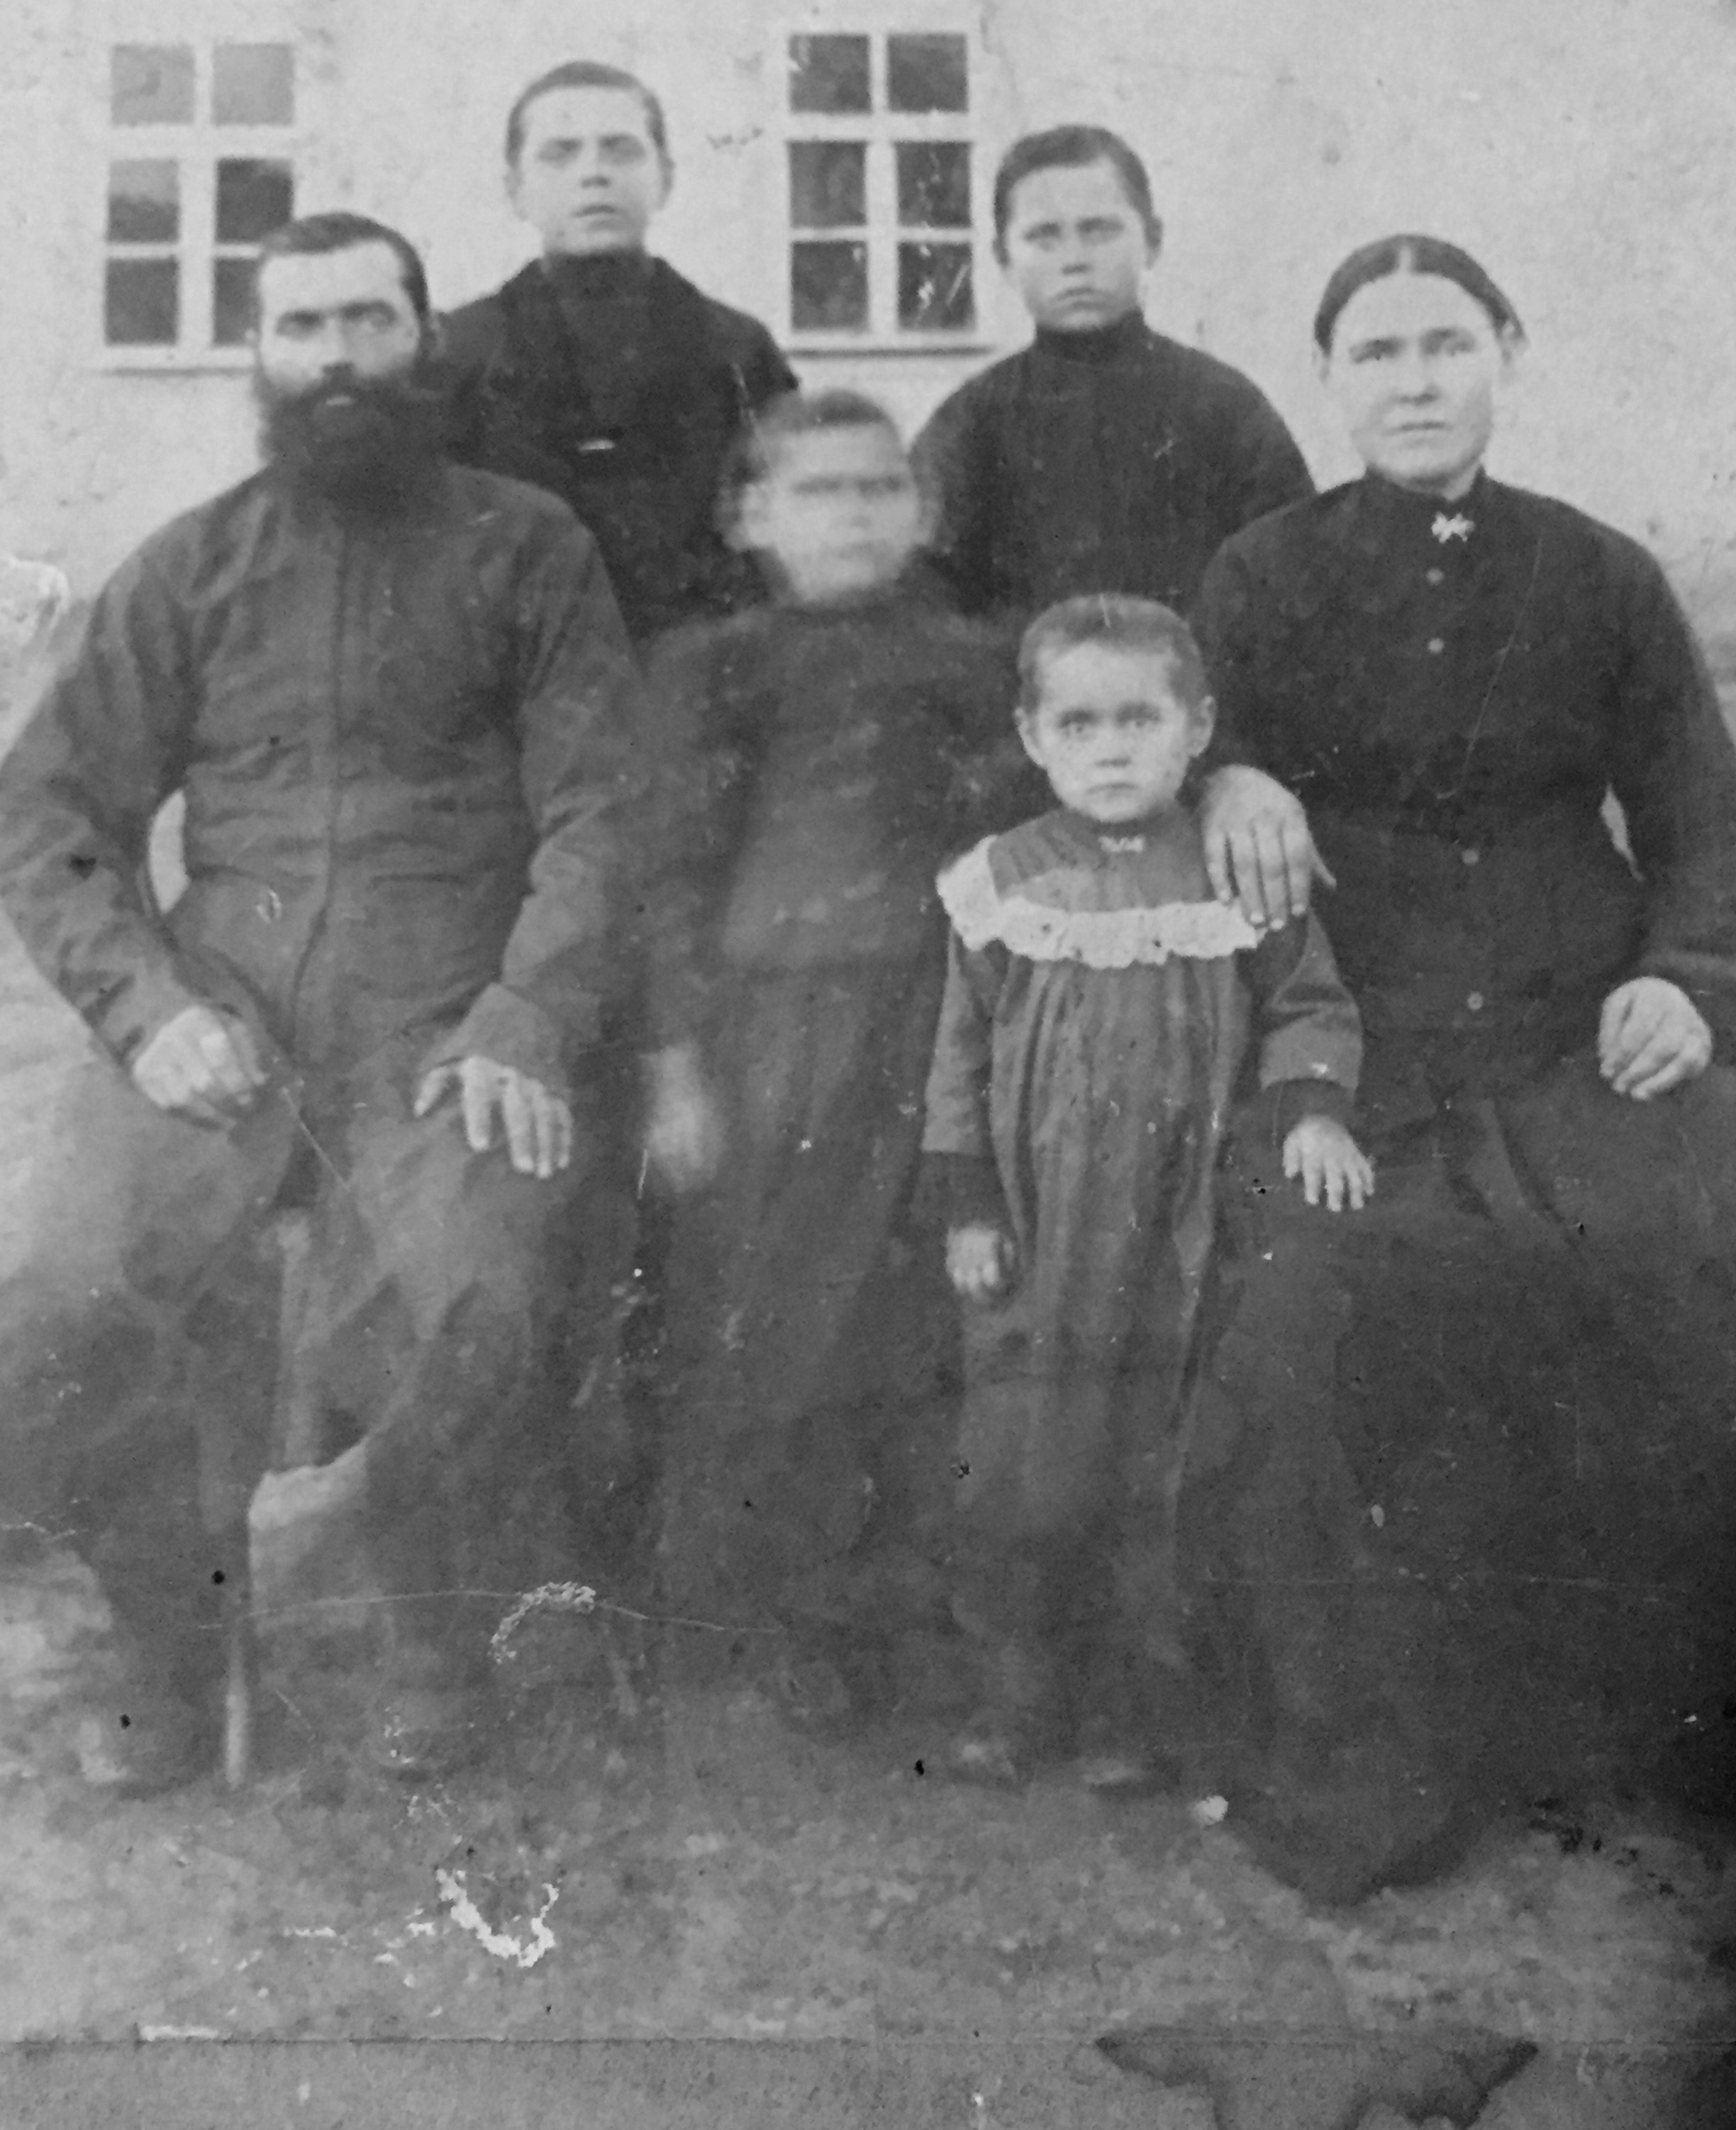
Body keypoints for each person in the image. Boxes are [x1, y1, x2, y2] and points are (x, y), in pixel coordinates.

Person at [0, 212, 644, 1791]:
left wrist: (526, 1016)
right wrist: (146, 1011)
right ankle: (170, 1634)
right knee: (63, 1305)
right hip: (218, 1025)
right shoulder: (192, 564)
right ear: (263, 359)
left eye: (370, 321)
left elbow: (605, 812)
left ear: (426, 343)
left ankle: (431, 1623)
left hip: (442, 1027)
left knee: (479, 1295)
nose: (339, 358)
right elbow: (48, 816)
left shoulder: (528, 547)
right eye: (304, 328)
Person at [1191, 233, 1736, 1896]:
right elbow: (1176, 733)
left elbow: (1695, 807)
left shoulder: (1595, 573)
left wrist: (1689, 972)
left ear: (1503, 353)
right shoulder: (1260, 573)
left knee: (1668, 1270)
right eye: (1376, 353)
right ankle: (1371, 1761)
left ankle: (1653, 1735)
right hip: (1350, 1031)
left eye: (1444, 344)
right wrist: (1228, 777)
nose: (1412, 380)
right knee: (1315, 1315)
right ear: (1331, 381)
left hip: (1579, 1022)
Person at [920, 594, 1368, 1786]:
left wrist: (1311, 1108)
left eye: (1137, 717)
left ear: (1196, 727)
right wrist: (968, 1202)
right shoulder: (1000, 882)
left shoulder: (1229, 872)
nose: (1109, 746)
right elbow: (957, 1053)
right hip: (1038, 1226)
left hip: (1181, 1224)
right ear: (1030, 736)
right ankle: (1018, 1691)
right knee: (1023, 1447)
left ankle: (1136, 1706)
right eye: (1077, 722)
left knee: (1158, 1455)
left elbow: (1306, 1004)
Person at [639, 389, 1011, 1718]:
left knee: (916, 1311)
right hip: (770, 1029)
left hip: (935, 1018)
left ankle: (915, 1604)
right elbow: (670, 873)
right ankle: (783, 1608)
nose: (853, 514)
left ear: (920, 511)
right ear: (749, 515)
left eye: (877, 487)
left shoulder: (975, 658)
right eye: (818, 490)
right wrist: (675, 1064)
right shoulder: (712, 666)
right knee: (771, 1312)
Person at [441, 59, 797, 645]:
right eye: (560, 154)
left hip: (698, 669)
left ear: (666, 178)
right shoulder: (460, 353)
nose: (594, 175)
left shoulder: (736, 349)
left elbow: (781, 535)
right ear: (515, 190)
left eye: (621, 150)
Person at [912, 124, 1312, 632]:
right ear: (1004, 260)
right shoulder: (970, 422)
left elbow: (1292, 573)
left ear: (1153, 240)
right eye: (1044, 237)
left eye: (1099, 230)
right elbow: (924, 598)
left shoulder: (1224, 406)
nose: (1075, 261)